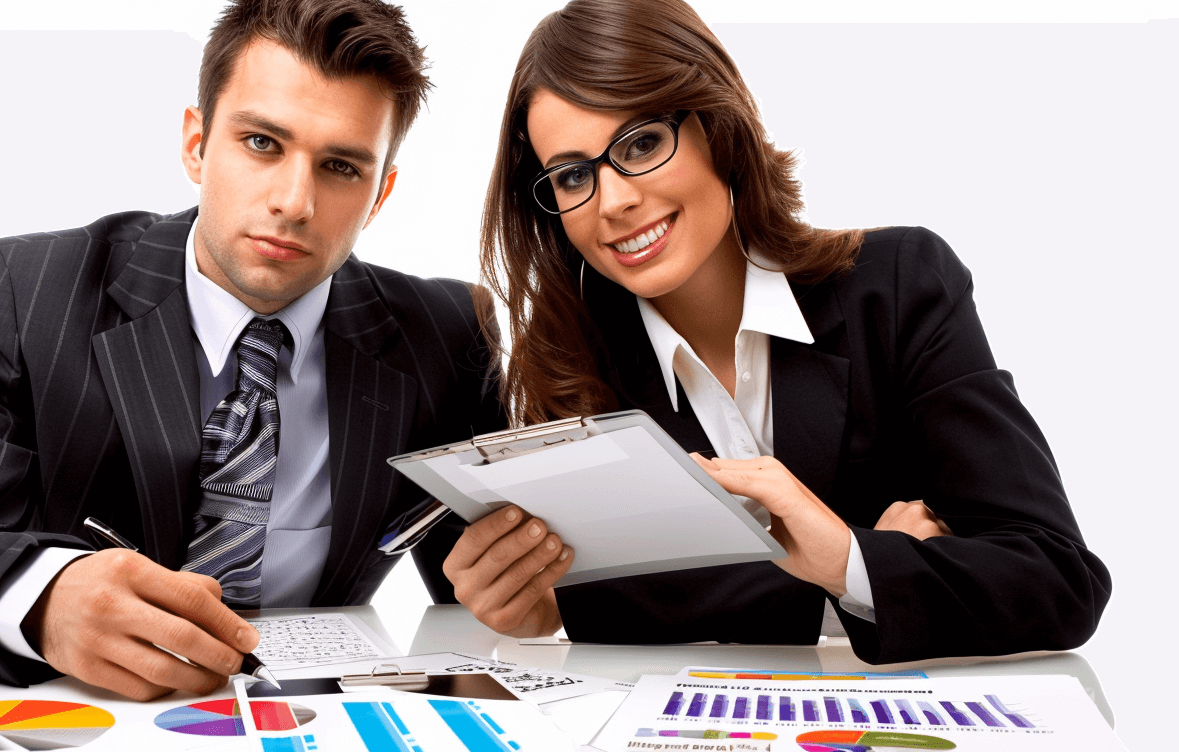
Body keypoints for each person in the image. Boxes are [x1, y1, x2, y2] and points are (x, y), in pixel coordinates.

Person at [0, 0, 502, 701]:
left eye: (340, 166)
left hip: (317, 734)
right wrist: (46, 599)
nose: (294, 201)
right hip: (79, 732)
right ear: (196, 144)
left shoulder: (448, 332)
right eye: (262, 143)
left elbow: (477, 578)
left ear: (381, 194)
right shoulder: (30, 293)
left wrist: (531, 589)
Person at [440, 0, 1111, 664]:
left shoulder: (900, 286)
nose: (613, 202)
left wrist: (845, 559)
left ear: (718, 127)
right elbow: (603, 601)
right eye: (573, 175)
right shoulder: (566, 360)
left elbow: (1056, 579)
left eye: (642, 142)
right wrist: (866, 567)